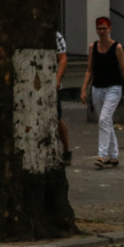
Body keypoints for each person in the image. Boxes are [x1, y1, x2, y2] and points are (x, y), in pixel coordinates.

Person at [80, 17, 124, 170]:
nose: (102, 31)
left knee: (104, 119)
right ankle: (114, 156)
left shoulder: (117, 47)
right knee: (106, 122)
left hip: (114, 88)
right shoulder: (93, 47)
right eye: (99, 28)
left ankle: (101, 155)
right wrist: (84, 89)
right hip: (97, 88)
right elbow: (90, 70)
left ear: (110, 29)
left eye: (104, 28)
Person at [56, 30, 72, 165]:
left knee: (56, 118)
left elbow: (63, 60)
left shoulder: (56, 36)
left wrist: (57, 80)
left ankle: (66, 148)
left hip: (51, 85)